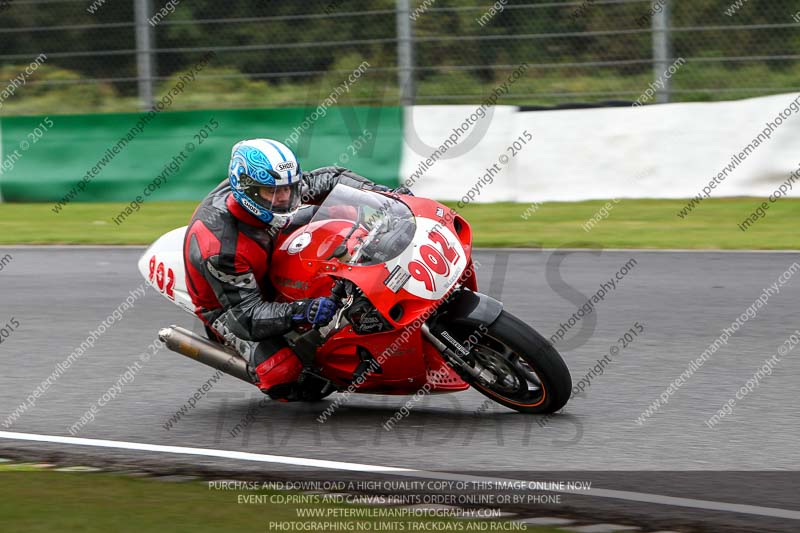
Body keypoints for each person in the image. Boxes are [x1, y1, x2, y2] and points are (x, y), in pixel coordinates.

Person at [184, 138, 407, 401]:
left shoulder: (278, 189)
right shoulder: (220, 248)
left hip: (265, 242)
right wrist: (304, 310)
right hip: (230, 307)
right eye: (271, 193)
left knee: (342, 209)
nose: (282, 199)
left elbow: (332, 179)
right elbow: (246, 317)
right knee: (283, 372)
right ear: (248, 190)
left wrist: (384, 195)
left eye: (287, 189)